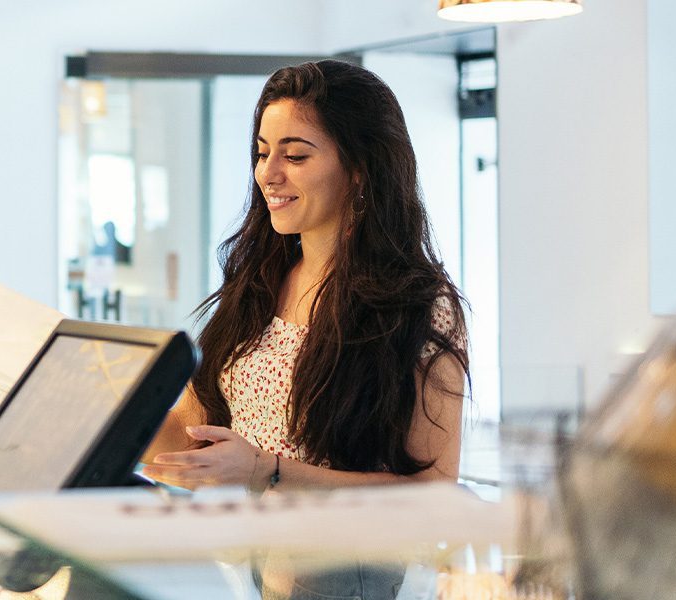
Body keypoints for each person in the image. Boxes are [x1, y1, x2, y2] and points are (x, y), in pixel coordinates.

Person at [137, 57, 470, 600]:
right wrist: (75, 409)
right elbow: (186, 438)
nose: (268, 173)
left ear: (361, 169)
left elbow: (434, 493)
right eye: (263, 152)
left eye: (295, 155)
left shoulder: (419, 305)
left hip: (350, 578)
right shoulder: (259, 284)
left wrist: (267, 471)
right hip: (244, 568)